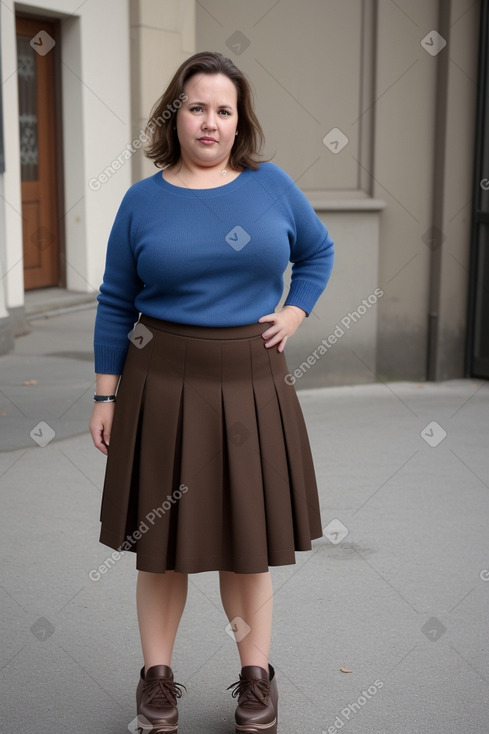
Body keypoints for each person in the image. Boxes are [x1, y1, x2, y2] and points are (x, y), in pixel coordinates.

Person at [89, 51, 334, 734]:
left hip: (252, 382)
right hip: (159, 383)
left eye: (223, 110)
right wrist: (105, 395)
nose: (209, 122)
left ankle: (256, 679)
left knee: (244, 542)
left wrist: (295, 310)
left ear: (238, 121)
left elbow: (316, 253)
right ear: (177, 115)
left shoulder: (270, 186)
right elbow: (115, 301)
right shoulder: (143, 200)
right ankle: (157, 682)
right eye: (197, 107)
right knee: (161, 545)